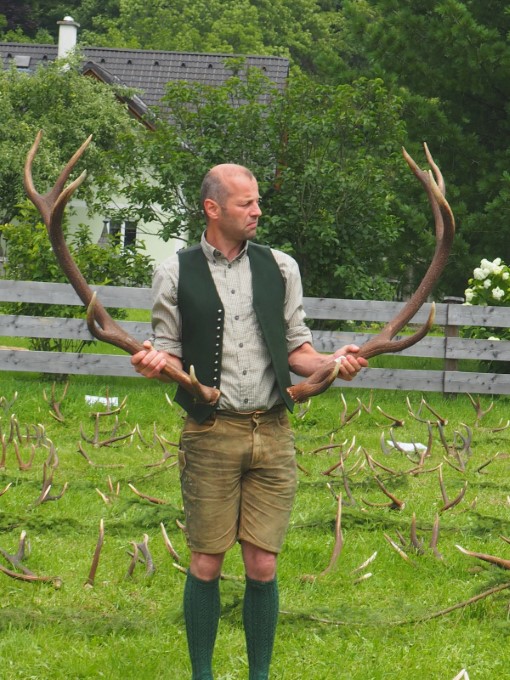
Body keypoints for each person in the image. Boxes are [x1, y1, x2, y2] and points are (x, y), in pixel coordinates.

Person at [131, 163, 367, 680]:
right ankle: (203, 675)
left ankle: (259, 675)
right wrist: (155, 364)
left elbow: (298, 350)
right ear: (212, 208)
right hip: (210, 432)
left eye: (257, 201)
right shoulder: (175, 271)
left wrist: (332, 362)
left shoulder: (281, 267)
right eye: (247, 203)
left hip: (273, 431)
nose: (258, 211)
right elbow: (168, 352)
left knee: (263, 563)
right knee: (207, 561)